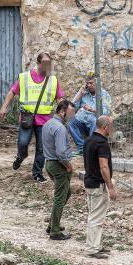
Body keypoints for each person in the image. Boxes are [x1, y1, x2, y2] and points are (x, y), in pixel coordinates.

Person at [0, 52, 65, 183]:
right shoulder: (24, 78)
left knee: (42, 149)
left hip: (45, 120)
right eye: (45, 63)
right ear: (38, 63)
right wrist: (4, 107)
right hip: (27, 117)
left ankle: (37, 173)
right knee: (23, 143)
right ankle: (21, 155)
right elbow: (12, 92)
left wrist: (65, 113)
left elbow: (59, 98)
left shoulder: (53, 80)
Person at [82, 116, 118, 259]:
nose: (112, 129)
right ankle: (92, 248)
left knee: (94, 216)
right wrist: (110, 187)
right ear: (105, 127)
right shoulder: (102, 143)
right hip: (98, 185)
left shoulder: (89, 140)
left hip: (89, 182)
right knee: (96, 218)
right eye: (111, 126)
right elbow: (103, 166)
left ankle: (95, 244)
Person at [42, 100, 75, 241]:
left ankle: (52, 224)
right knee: (60, 197)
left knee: (65, 193)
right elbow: (61, 153)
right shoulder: (60, 128)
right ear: (62, 112)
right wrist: (68, 165)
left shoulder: (48, 124)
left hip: (49, 163)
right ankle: (54, 231)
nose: (72, 116)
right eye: (70, 113)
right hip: (58, 165)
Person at [69, 72, 112, 156]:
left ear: (96, 83)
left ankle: (91, 148)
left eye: (91, 83)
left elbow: (106, 111)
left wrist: (92, 110)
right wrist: (79, 94)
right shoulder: (84, 94)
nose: (89, 85)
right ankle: (81, 148)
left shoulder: (103, 94)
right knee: (71, 121)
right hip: (83, 123)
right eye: (87, 83)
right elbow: (72, 107)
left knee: (94, 120)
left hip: (96, 124)